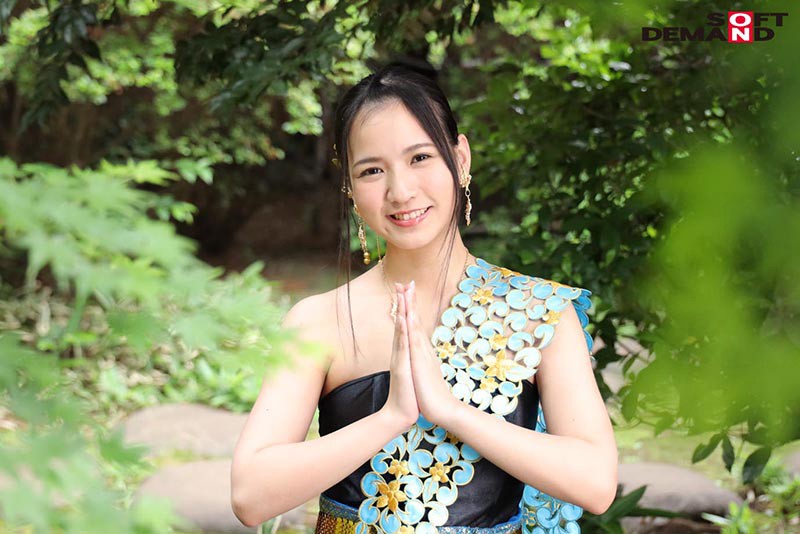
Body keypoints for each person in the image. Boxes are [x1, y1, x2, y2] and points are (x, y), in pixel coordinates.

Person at [231, 60, 618, 534]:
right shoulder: (318, 321)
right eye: (372, 170)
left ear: (461, 159)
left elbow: (596, 483)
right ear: (350, 187)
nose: (400, 191)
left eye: (420, 158)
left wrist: (451, 411)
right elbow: (250, 497)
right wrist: (391, 417)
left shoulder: (539, 313)